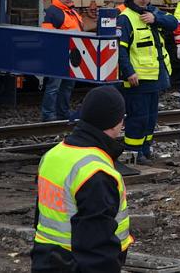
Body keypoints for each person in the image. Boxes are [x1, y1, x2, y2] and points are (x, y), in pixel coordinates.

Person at [31, 86, 133, 272]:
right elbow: (97, 247)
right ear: (115, 123)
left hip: (45, 259)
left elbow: (41, 216)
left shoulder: (53, 155)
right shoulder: (96, 172)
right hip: (76, 263)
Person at [116, 0, 177, 163]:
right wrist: (129, 72)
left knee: (150, 118)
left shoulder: (152, 13)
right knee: (138, 118)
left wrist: (155, 18)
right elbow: (121, 50)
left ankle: (145, 149)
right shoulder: (125, 19)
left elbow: (174, 23)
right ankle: (133, 155)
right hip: (137, 79)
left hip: (155, 76)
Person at [40, 0, 83, 121]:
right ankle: (48, 115)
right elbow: (48, 34)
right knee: (54, 87)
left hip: (72, 54)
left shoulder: (71, 11)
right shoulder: (53, 12)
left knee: (67, 86)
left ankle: (63, 113)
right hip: (58, 54)